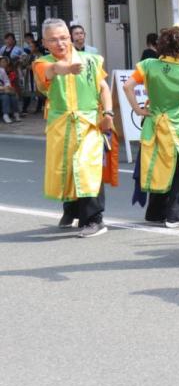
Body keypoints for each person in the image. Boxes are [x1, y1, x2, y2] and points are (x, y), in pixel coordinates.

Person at [32, 18, 114, 237]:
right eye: (54, 40)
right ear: (45, 43)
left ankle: (95, 219)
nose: (60, 43)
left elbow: (104, 87)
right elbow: (52, 71)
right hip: (61, 123)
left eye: (64, 38)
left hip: (88, 122)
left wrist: (108, 112)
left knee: (88, 165)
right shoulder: (41, 63)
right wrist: (67, 68)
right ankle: (72, 209)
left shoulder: (92, 60)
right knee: (66, 168)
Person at [124, 26, 179, 228]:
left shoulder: (148, 65)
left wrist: (138, 109)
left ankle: (155, 211)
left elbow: (127, 86)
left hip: (154, 121)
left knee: (158, 168)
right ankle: (175, 213)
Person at [0, 57, 21, 123]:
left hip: (4, 90)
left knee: (12, 96)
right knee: (5, 97)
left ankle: (16, 113)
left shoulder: (2, 70)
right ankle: (5, 115)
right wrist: (3, 88)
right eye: (2, 62)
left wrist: (8, 86)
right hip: (2, 90)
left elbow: (6, 80)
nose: (4, 63)